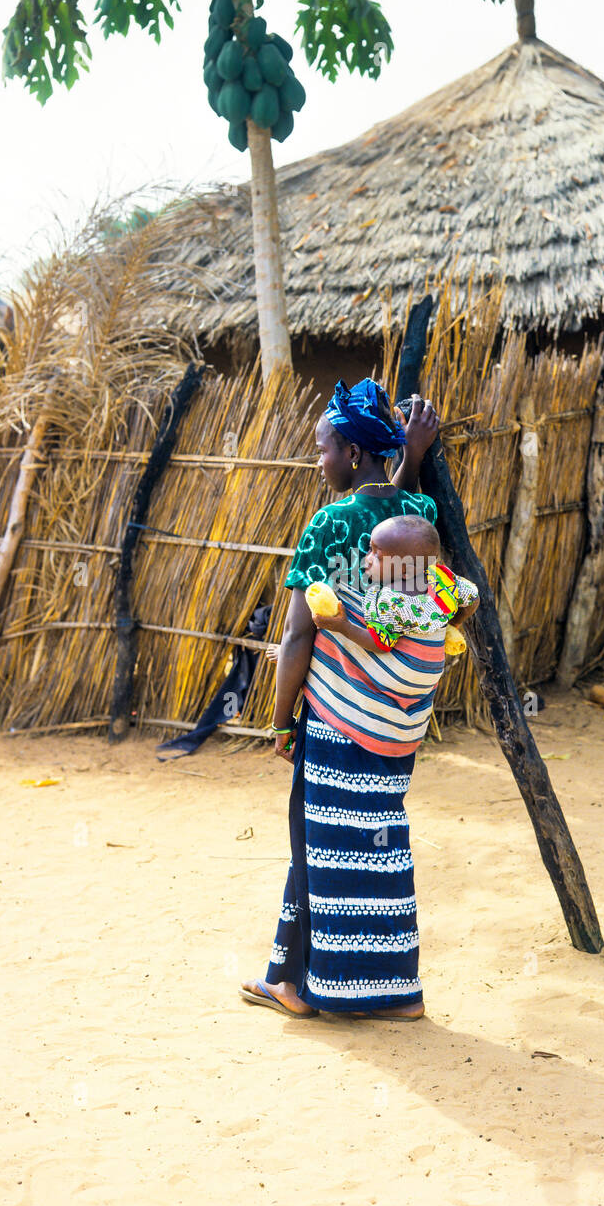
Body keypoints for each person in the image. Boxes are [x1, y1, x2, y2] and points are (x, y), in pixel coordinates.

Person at [239, 377, 441, 1021]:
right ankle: (393, 992)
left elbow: (298, 633)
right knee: (381, 841)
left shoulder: (327, 525)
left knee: (320, 843)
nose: (317, 461)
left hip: (336, 716)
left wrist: (279, 726)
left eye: (324, 449)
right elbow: (397, 504)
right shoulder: (420, 514)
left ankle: (305, 987)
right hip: (396, 723)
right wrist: (412, 454)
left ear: (352, 454)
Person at [309, 515, 479, 654]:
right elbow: (474, 598)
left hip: (403, 678)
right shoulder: (442, 578)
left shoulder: (387, 601)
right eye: (370, 549)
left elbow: (380, 645)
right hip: (430, 678)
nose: (367, 558)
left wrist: (343, 627)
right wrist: (454, 623)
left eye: (377, 556)